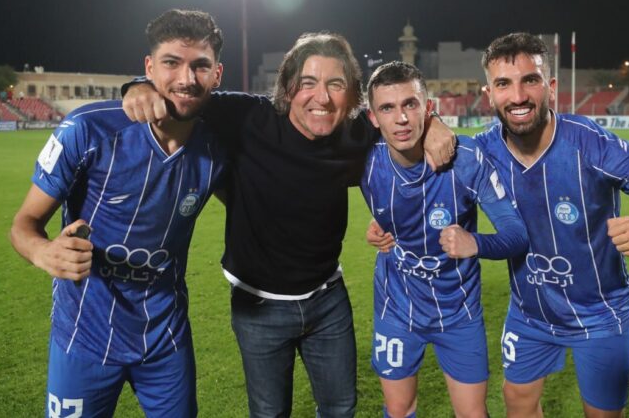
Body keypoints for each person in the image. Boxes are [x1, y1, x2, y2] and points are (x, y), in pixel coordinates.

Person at [370, 33, 629, 417]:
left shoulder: (594, 145)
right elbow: (422, 175)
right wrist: (433, 124)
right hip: (529, 315)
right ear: (489, 94)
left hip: (600, 315)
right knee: (517, 402)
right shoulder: (483, 151)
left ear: (551, 87)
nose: (518, 96)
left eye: (530, 80)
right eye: (503, 84)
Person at [121, 34, 455, 417]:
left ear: (351, 95)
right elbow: (187, 96)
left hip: (328, 300)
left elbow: (400, 119)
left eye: (335, 84)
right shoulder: (247, 116)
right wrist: (140, 85)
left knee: (341, 408)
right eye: (308, 82)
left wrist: (434, 124)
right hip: (258, 306)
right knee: (269, 413)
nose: (322, 97)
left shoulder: (354, 134)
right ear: (287, 86)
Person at [9, 9, 228, 417]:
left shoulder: (217, 149)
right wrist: (43, 252)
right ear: (149, 67)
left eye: (200, 65)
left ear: (217, 74)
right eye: (171, 62)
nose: (186, 78)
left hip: (165, 339)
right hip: (83, 337)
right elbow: (24, 224)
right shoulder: (87, 129)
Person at [361, 62, 529, 417]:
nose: (401, 118)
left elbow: (517, 235)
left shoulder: (466, 160)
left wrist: (475, 243)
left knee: (472, 413)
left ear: (428, 107)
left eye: (410, 104)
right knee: (398, 409)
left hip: (459, 313)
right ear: (373, 117)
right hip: (397, 309)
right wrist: (379, 225)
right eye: (387, 108)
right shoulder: (365, 161)